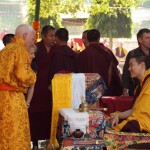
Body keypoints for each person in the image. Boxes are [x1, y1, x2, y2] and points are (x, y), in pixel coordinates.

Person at [0, 24, 36, 150]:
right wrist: (33, 76)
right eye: (32, 39)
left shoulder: (6, 49)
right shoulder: (20, 49)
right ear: (25, 36)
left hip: (2, 98)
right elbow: (24, 76)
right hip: (13, 98)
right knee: (16, 134)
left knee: (4, 134)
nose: (33, 43)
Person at [28, 25, 56, 149]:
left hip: (50, 89)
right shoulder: (36, 49)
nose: (53, 38)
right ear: (43, 36)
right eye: (50, 35)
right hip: (37, 88)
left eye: (54, 35)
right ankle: (34, 142)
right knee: (35, 116)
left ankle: (47, 142)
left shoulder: (56, 50)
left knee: (48, 116)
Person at [112, 54, 150, 133]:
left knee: (118, 129)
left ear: (142, 65)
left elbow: (142, 115)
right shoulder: (140, 86)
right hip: (139, 121)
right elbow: (134, 110)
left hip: (144, 124)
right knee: (112, 119)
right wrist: (118, 115)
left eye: (131, 65)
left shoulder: (148, 84)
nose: (129, 69)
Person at [79, 29, 122, 96]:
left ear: (88, 39)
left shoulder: (83, 54)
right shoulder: (107, 52)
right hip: (106, 89)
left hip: (89, 91)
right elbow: (113, 68)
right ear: (99, 38)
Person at [122, 28, 150, 96]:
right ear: (140, 40)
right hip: (136, 88)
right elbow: (126, 73)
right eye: (147, 38)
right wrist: (125, 90)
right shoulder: (132, 54)